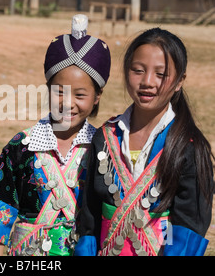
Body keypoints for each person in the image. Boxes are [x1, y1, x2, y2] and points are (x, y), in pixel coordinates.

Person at [0, 15, 111, 256]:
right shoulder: (21, 147)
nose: (68, 103)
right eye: (59, 92)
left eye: (80, 95)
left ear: (97, 96)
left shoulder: (105, 148)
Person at [75, 27, 214, 256]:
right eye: (138, 70)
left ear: (180, 81)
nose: (147, 82)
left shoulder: (188, 146)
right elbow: (90, 218)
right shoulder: (105, 138)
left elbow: (188, 226)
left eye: (161, 74)